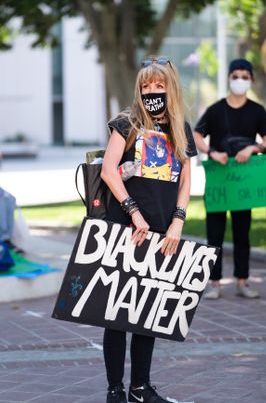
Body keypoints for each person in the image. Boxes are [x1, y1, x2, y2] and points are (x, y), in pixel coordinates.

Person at [100, 56, 197, 403]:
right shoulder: (126, 123)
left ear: (169, 87)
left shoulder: (180, 128)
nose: (151, 91)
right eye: (145, 85)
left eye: (158, 85)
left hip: (162, 231)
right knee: (116, 313)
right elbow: (109, 171)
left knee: (149, 310)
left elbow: (186, 178)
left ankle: (140, 387)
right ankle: (115, 389)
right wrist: (133, 212)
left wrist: (178, 221)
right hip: (125, 227)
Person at [193, 58, 266, 300]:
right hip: (219, 179)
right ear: (229, 78)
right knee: (214, 233)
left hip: (244, 181)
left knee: (243, 232)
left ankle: (242, 281)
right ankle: (214, 283)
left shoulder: (257, 111)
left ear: (251, 80)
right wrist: (210, 152)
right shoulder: (216, 110)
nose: (240, 80)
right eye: (236, 75)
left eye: (245, 76)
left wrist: (253, 148)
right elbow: (197, 134)